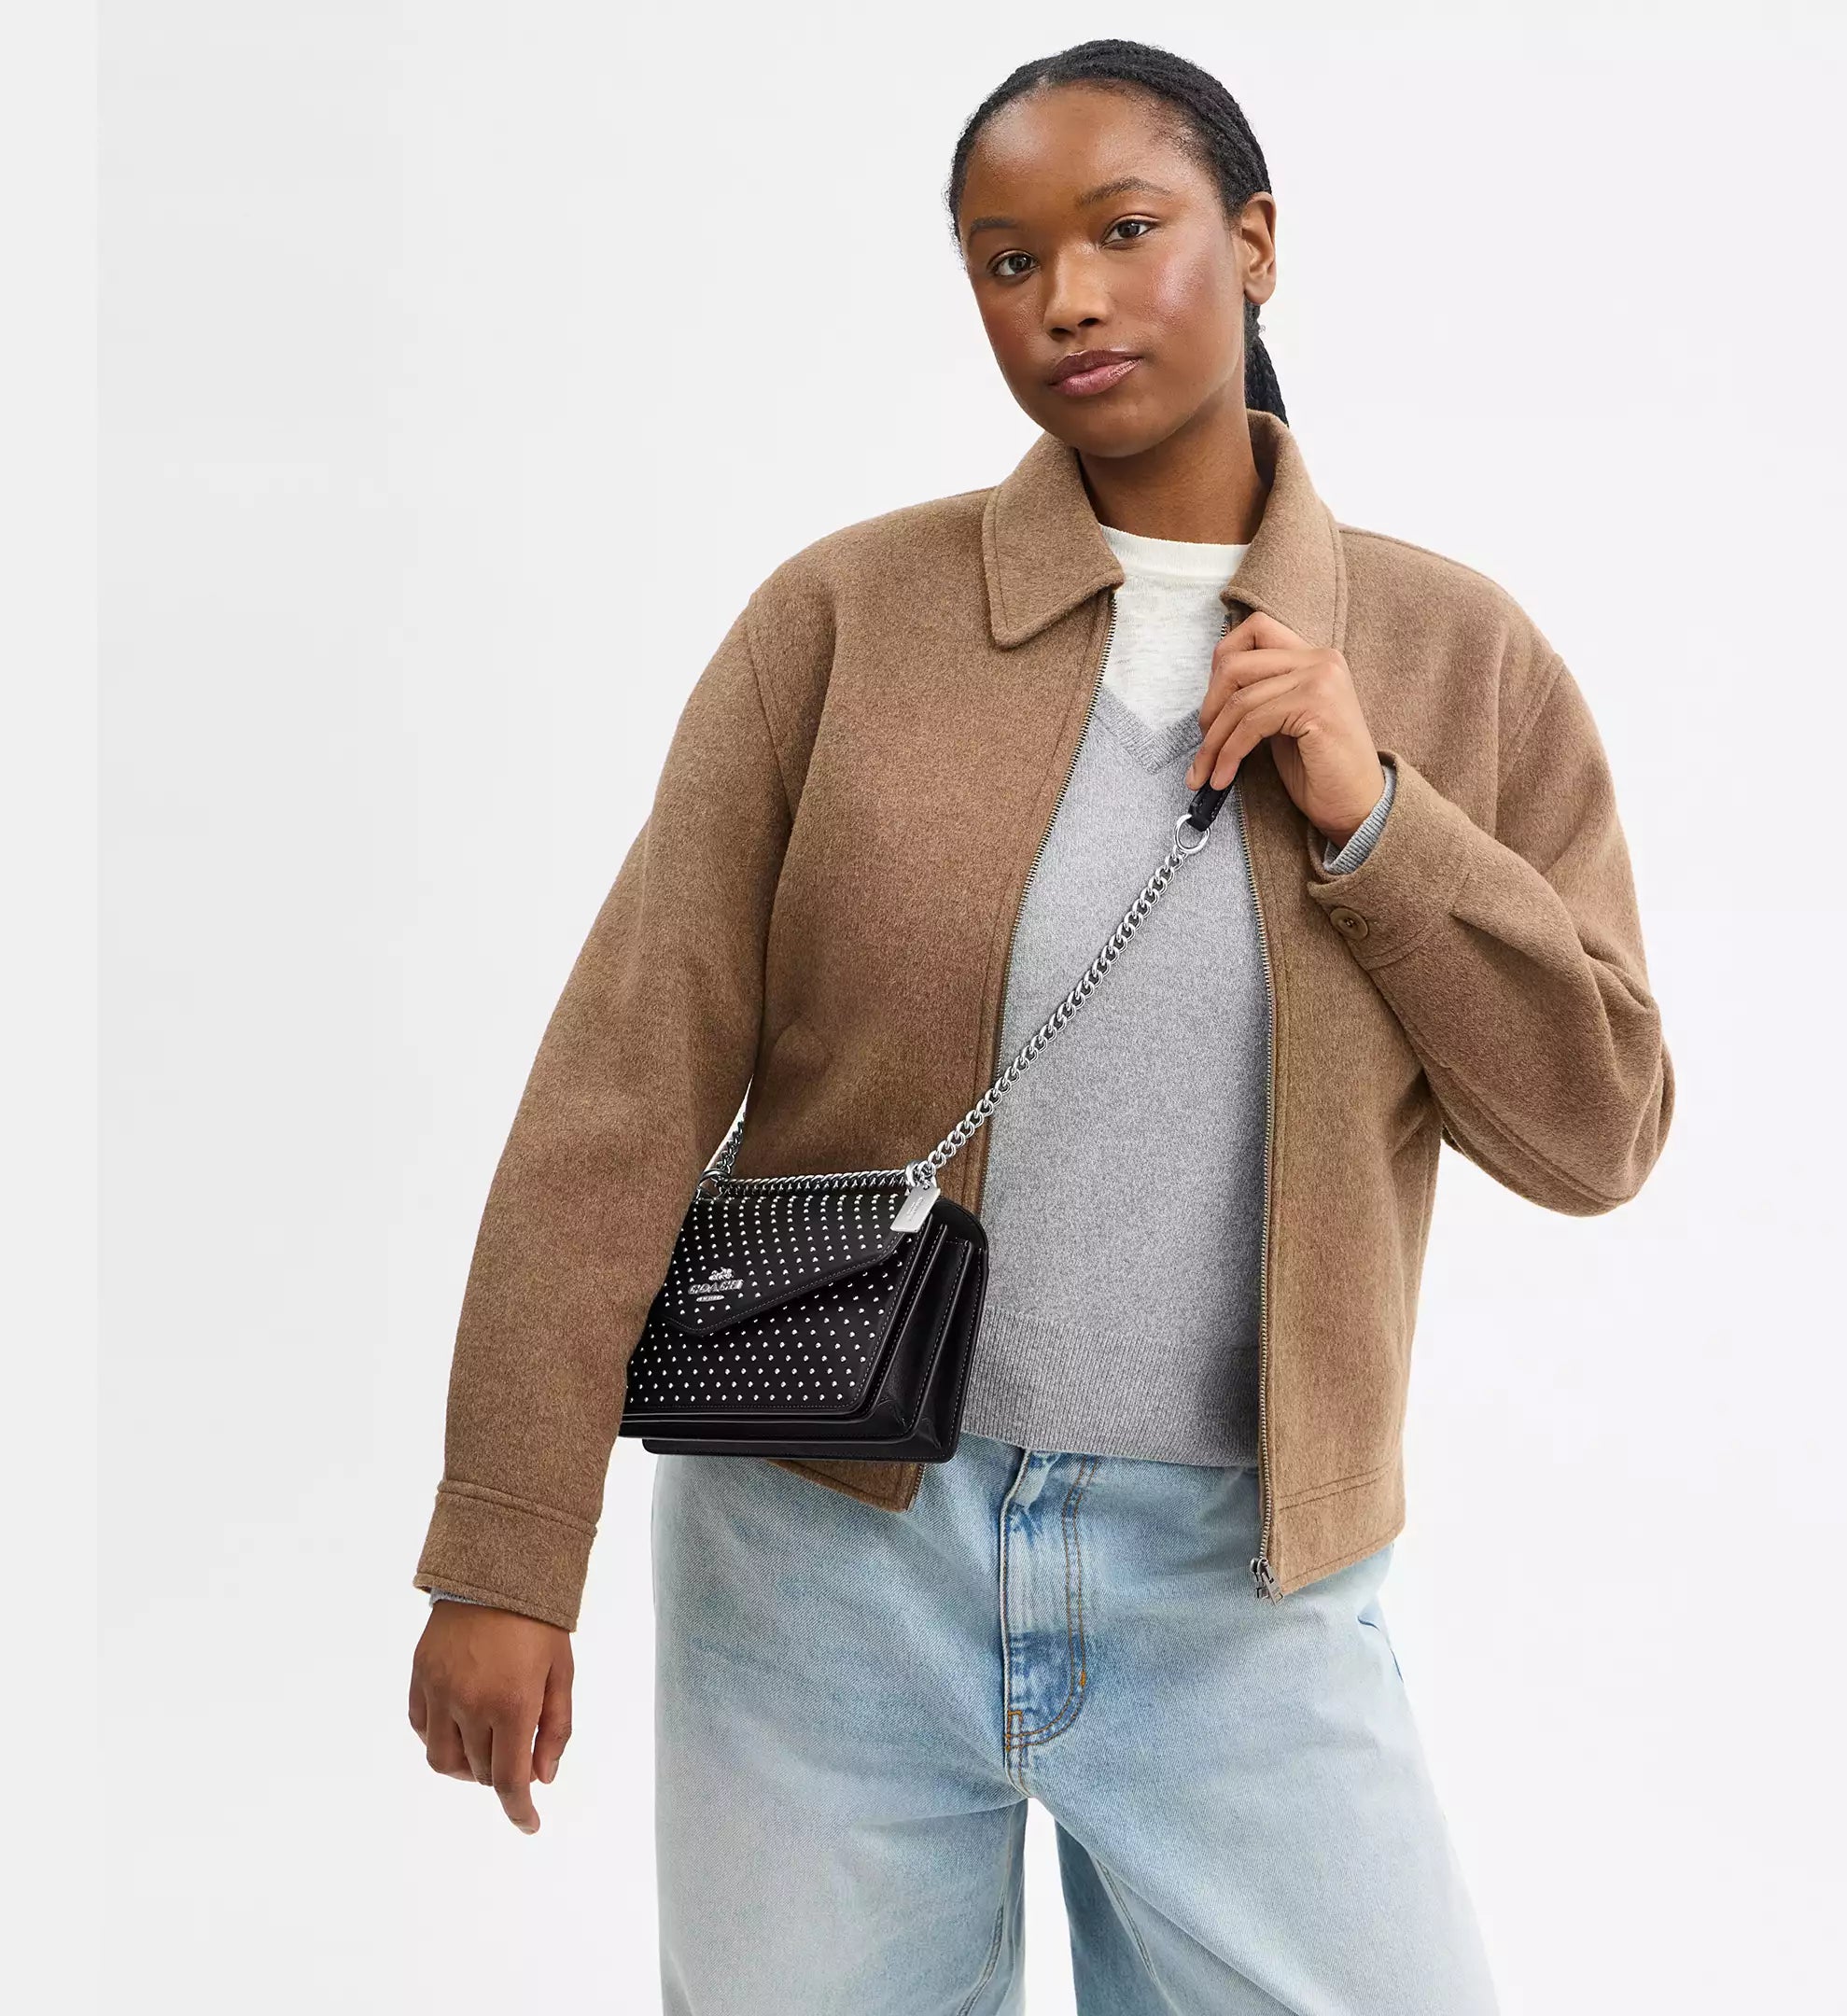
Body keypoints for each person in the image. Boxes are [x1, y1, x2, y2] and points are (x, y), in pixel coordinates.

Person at [407, 36, 1674, 2014]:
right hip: (820, 1562)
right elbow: (621, 1091)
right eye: (1006, 261)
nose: (1065, 298)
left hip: (1241, 1585)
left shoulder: (1455, 654)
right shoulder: (841, 623)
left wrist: (1376, 815)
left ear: (1255, 246)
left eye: (1123, 231)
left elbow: (1595, 1132)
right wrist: (504, 1547)